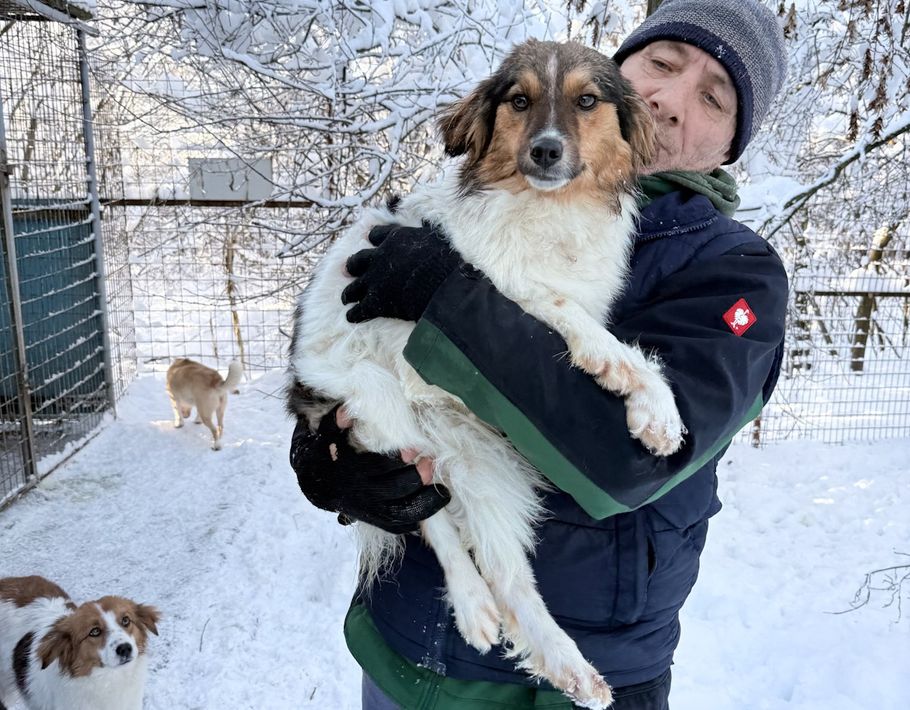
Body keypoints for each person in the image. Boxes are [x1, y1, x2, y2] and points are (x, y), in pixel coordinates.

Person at [289, 0, 789, 707]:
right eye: (661, 63)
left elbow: (630, 462)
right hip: (404, 647)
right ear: (616, 71)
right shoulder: (481, 200)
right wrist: (330, 450)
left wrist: (449, 302)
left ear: (733, 143)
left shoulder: (734, 273)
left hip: (576, 677)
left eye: (714, 98)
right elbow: (356, 345)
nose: (671, 101)